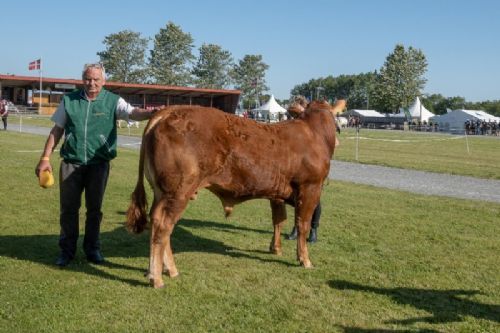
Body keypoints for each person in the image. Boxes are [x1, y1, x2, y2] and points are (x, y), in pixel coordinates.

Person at [35, 63, 157, 267]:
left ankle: (92, 249)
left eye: (96, 80)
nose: (91, 83)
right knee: (68, 210)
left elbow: (132, 113)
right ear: (82, 79)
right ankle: (66, 251)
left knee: (94, 210)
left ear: (104, 81)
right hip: (71, 163)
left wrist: (150, 113)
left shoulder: (112, 100)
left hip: (98, 165)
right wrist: (45, 158)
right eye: (87, 79)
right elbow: (57, 130)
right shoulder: (69, 100)